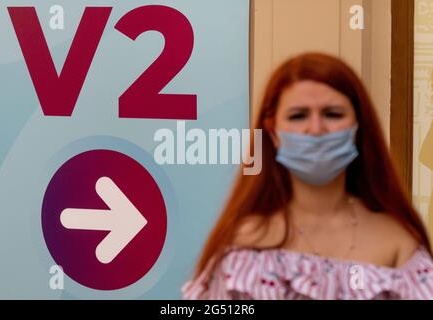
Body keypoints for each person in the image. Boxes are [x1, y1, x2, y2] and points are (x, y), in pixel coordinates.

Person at [181, 52, 433, 300]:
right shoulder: (242, 247)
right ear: (273, 133)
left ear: (359, 127)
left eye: (333, 114)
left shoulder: (399, 245)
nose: (316, 129)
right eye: (298, 116)